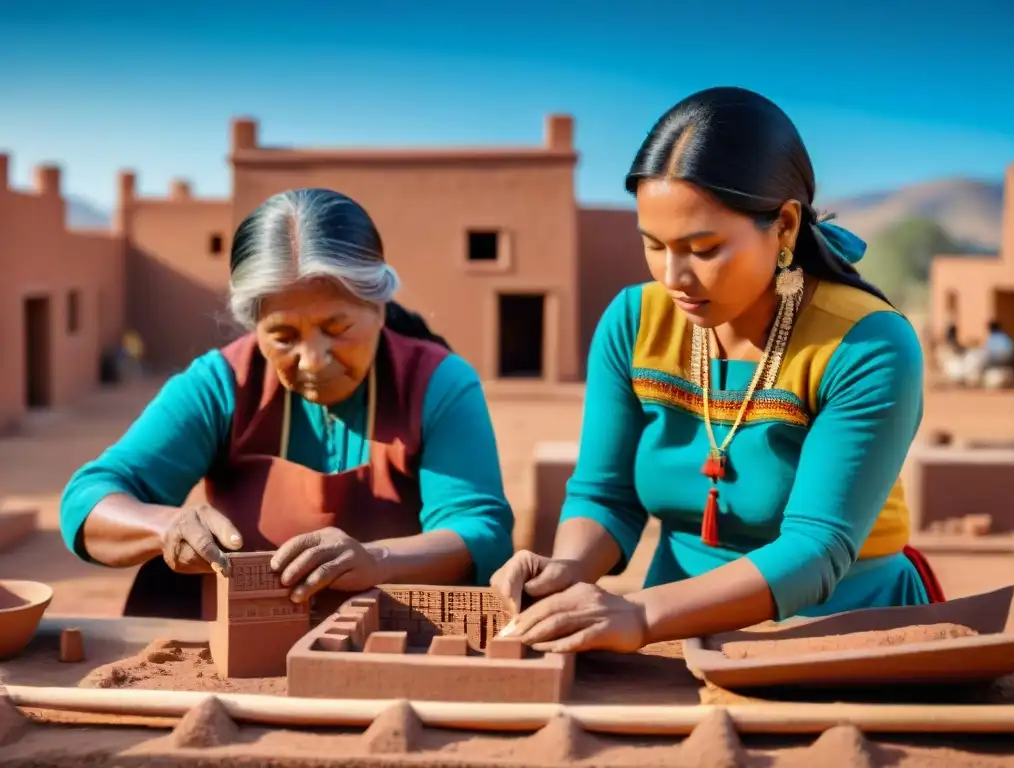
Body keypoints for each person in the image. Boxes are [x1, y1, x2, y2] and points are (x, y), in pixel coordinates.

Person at [490, 87, 944, 655]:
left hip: (839, 635)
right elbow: (605, 495)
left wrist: (640, 613)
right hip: (674, 634)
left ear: (782, 225)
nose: (673, 275)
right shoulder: (634, 323)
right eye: (653, 245)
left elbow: (816, 550)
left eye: (702, 248)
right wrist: (568, 568)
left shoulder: (866, 345)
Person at [60, 188, 514, 619]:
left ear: (378, 307)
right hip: (241, 647)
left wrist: (378, 559)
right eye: (283, 336)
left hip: (392, 642)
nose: (313, 362)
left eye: (337, 329)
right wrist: (165, 526)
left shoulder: (437, 382)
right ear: (253, 325)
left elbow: (480, 529)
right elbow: (88, 498)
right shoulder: (220, 383)